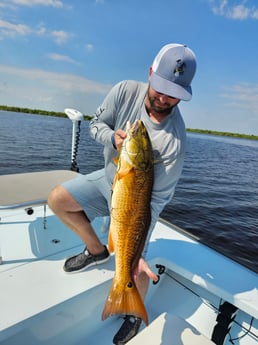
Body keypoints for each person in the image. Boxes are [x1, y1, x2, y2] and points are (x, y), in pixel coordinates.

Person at [48, 43, 197, 345]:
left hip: (137, 205)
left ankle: (133, 312)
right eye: (161, 88)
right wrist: (112, 139)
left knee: (137, 264)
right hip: (108, 180)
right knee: (57, 200)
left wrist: (137, 251)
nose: (164, 98)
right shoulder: (124, 91)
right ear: (151, 73)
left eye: (174, 94)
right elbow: (95, 125)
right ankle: (97, 251)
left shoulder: (175, 142)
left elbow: (155, 201)